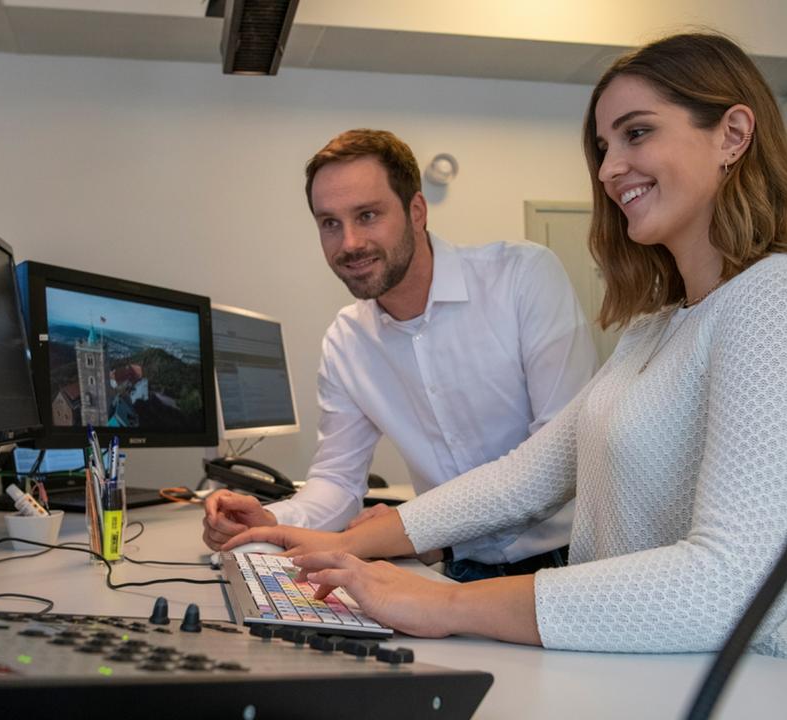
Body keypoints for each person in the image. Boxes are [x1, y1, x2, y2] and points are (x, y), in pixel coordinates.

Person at [224, 32, 787, 658]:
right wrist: (315, 543)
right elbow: (521, 480)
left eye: (637, 133)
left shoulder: (783, 298)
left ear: (733, 133)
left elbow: (735, 586)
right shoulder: (657, 329)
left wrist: (442, 605)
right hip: (626, 664)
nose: (611, 169)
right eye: (603, 146)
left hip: (724, 688)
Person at [202, 129, 598, 580]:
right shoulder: (346, 341)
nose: (349, 243)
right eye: (329, 223)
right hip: (456, 570)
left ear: (416, 211)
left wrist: (407, 526)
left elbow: (557, 462)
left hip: (569, 565)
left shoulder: (522, 278)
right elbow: (336, 480)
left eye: (367, 215)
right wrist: (278, 522)